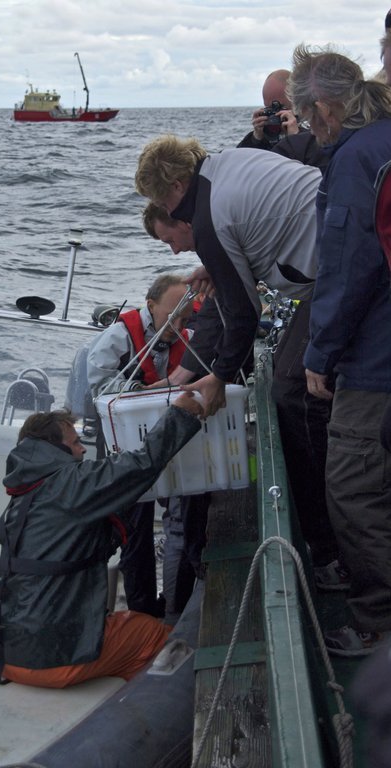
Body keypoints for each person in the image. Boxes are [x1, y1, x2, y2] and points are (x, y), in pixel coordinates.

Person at [135, 137, 344, 574]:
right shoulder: (226, 165)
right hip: (346, 234)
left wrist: (220, 377)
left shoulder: (208, 217)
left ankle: (328, 543)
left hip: (340, 267)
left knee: (290, 391)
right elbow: (254, 227)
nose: (170, 214)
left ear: (176, 186)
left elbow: (243, 315)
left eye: (164, 203)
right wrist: (220, 265)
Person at [0, 395, 204, 688]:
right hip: (54, 656)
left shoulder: (23, 498)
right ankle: (148, 705)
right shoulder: (72, 483)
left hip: (6, 651)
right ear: (54, 449)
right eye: (75, 443)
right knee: (152, 633)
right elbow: (143, 462)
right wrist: (180, 414)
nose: (83, 449)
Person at [288, 44, 391, 656]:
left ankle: (379, 623)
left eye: (306, 116)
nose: (308, 128)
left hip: (376, 358)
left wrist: (320, 353)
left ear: (325, 107)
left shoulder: (356, 158)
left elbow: (350, 267)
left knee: (354, 486)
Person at [87, 274, 195, 619]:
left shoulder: (189, 338)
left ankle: (176, 606)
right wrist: (139, 393)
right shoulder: (118, 337)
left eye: (185, 319)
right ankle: (143, 612)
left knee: (184, 520)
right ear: (150, 306)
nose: (178, 326)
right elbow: (99, 384)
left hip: (170, 443)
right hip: (125, 445)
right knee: (135, 530)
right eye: (172, 317)